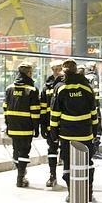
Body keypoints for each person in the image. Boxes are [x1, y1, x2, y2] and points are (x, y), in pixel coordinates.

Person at [49, 59, 98, 202]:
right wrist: (94, 131)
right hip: (85, 132)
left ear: (64, 71)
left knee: (68, 163)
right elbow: (93, 112)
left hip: (67, 134)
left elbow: (55, 113)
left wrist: (54, 132)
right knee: (87, 162)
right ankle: (88, 192)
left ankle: (72, 193)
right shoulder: (87, 87)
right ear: (77, 70)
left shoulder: (60, 87)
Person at [3, 62, 41, 188]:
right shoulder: (32, 90)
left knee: (15, 149)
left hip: (13, 126)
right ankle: (20, 178)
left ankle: (20, 172)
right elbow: (35, 111)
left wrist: (8, 124)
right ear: (29, 73)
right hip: (26, 127)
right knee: (24, 152)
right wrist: (36, 128)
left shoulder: (9, 88)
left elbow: (5, 108)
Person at [39, 59, 64, 187]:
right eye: (55, 68)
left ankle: (69, 178)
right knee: (52, 150)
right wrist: (43, 126)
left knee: (66, 152)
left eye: (59, 68)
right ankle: (52, 176)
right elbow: (43, 108)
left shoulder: (67, 84)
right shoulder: (46, 87)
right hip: (51, 126)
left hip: (66, 125)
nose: (57, 71)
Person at [85, 61, 102, 160]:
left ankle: (91, 150)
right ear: (93, 68)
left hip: (88, 108)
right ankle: (96, 150)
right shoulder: (94, 78)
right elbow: (95, 94)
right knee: (97, 128)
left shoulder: (85, 78)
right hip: (95, 107)